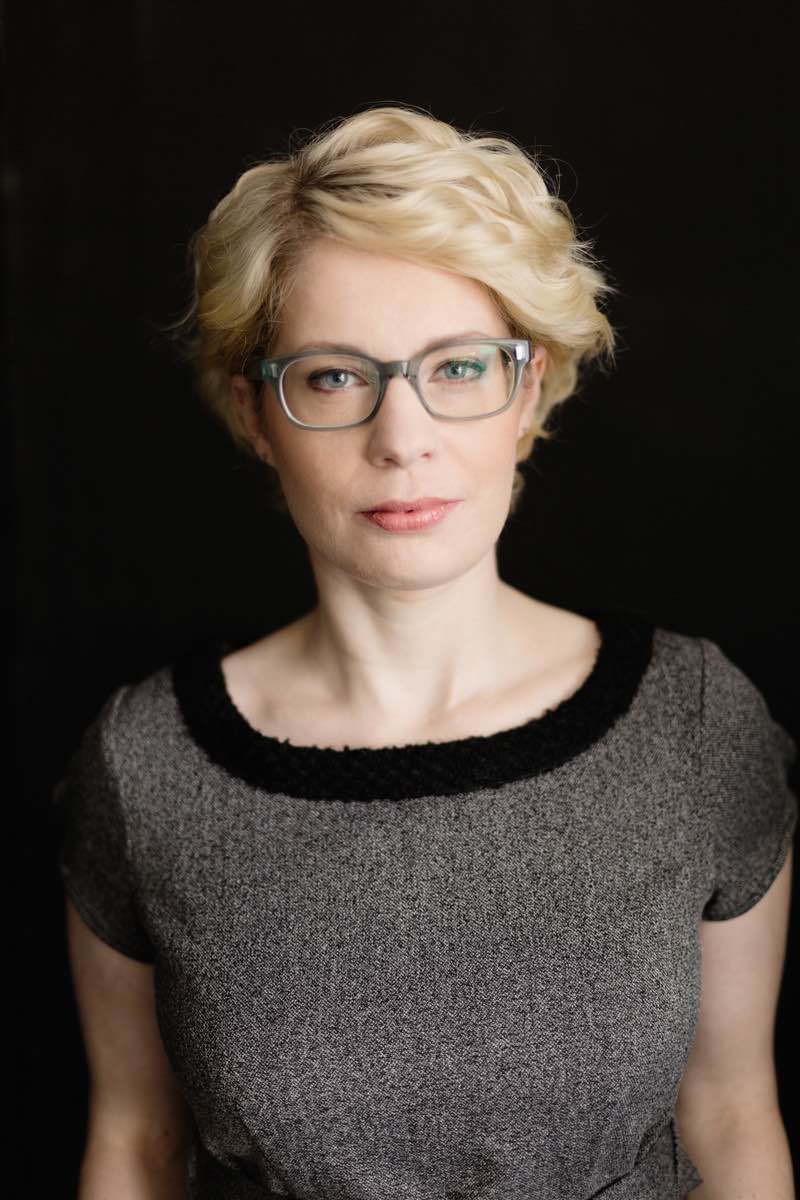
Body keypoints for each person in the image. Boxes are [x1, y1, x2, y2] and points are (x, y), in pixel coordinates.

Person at [53, 104, 797, 1200]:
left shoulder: (692, 726)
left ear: (528, 385)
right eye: (334, 376)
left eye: (456, 369)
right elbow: (133, 1146)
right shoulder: (147, 764)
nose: (401, 440)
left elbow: (731, 1121)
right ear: (257, 414)